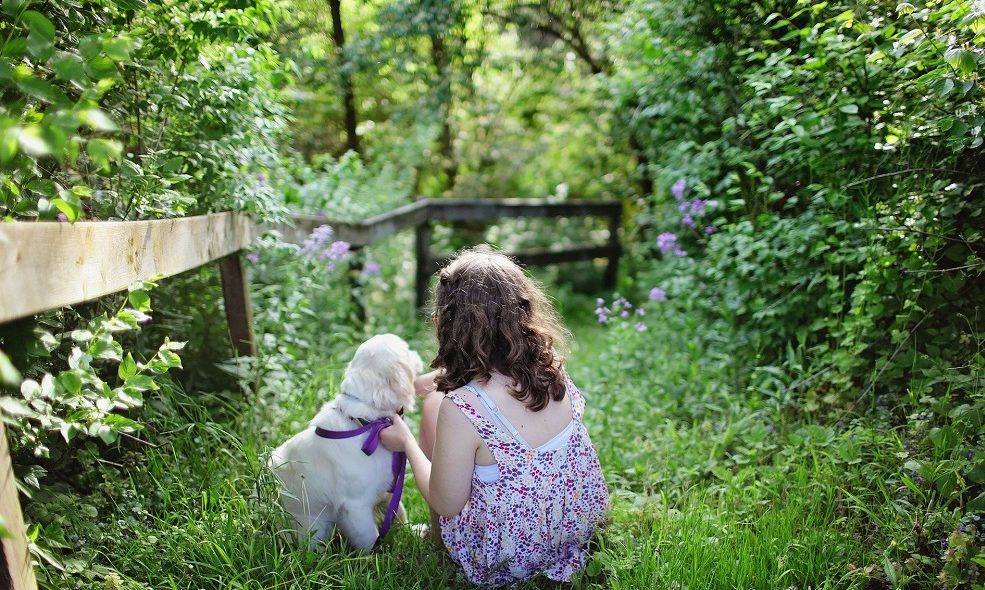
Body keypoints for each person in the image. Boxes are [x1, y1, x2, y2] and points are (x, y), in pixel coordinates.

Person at [379, 247, 609, 586]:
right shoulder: (550, 366)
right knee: (436, 400)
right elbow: (488, 382)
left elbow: (447, 503)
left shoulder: (462, 408)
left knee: (433, 407)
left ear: (449, 322)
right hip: (577, 526)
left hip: (508, 555)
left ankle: (438, 539)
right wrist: (421, 382)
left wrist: (407, 444)